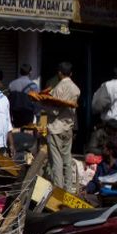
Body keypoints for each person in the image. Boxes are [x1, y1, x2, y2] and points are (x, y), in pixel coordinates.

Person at [45, 61, 81, 191]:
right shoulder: (76, 89)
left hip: (56, 128)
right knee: (67, 159)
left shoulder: (58, 88)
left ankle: (58, 191)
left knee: (57, 161)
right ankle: (68, 189)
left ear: (59, 73)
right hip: (68, 128)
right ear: (71, 73)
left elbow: (55, 110)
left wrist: (44, 105)